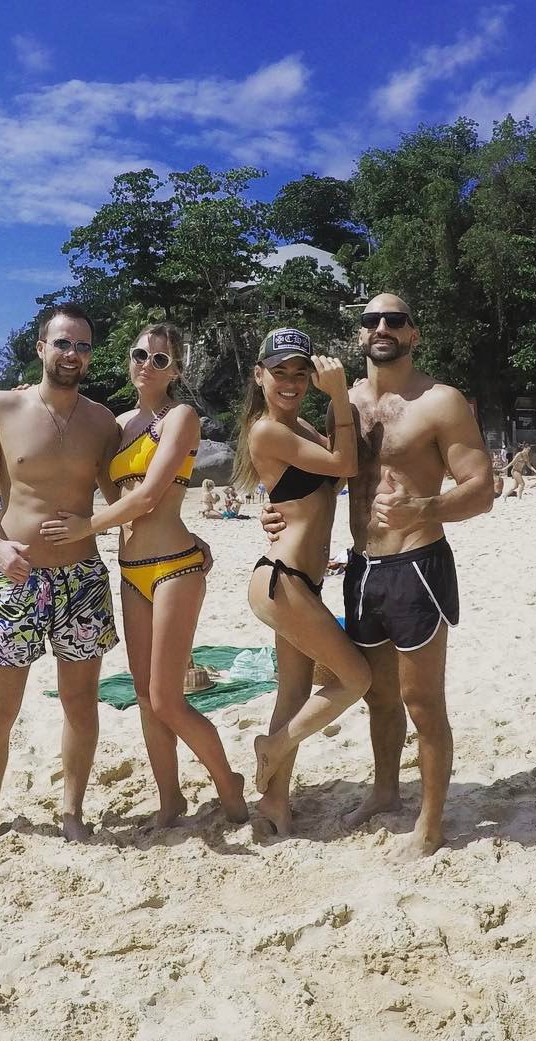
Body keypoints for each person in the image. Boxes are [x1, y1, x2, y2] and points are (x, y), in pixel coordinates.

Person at [263, 295, 493, 858]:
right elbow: (325, 478)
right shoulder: (345, 402)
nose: (383, 327)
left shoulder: (440, 401)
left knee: (422, 702)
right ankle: (386, 791)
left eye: (395, 320)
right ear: (360, 334)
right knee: (378, 696)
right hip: (362, 567)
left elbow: (482, 489)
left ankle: (430, 825)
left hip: (418, 564)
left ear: (414, 334)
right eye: (372, 320)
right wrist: (276, 511)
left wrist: (424, 508)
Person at [40, 322, 246, 829]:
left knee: (168, 699)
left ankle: (228, 782)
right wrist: (31, 397)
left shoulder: (181, 417)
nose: (146, 365)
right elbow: (106, 482)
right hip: (131, 571)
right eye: (139, 355)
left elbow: (150, 495)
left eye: (160, 359)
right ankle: (171, 801)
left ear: (175, 369)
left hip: (176, 567)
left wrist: (86, 526)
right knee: (145, 698)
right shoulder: (117, 425)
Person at [0, 303, 123, 851]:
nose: (73, 354)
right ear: (41, 348)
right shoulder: (1, 408)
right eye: (63, 343)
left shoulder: (102, 422)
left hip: (83, 579)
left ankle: (72, 810)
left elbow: (125, 496)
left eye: (83, 346)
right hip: (16, 578)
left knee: (80, 702)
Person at [231, 328, 370, 835]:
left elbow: (338, 473)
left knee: (292, 694)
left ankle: (274, 805)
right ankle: (272, 746)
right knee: (355, 678)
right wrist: (340, 396)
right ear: (259, 376)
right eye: (279, 372)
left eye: (299, 372)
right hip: (283, 580)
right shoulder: (267, 430)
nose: (290, 382)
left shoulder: (302, 427)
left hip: (300, 583)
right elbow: (345, 462)